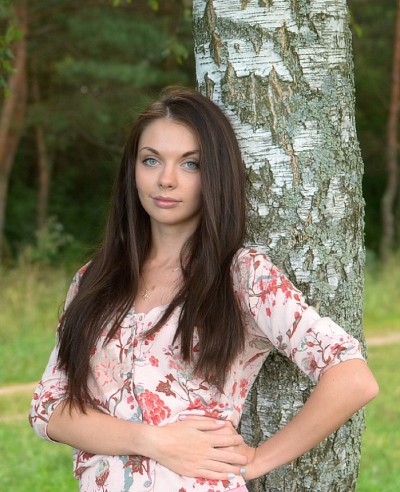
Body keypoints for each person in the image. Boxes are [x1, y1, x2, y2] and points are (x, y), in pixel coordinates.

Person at [29, 87, 378, 492]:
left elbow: (353, 377)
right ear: (132, 169)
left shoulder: (242, 276)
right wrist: (153, 441)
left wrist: (257, 460)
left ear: (215, 175)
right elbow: (47, 408)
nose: (166, 180)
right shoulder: (95, 279)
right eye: (151, 160)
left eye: (190, 164)